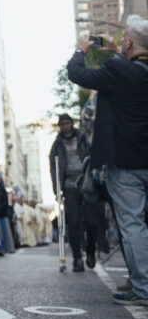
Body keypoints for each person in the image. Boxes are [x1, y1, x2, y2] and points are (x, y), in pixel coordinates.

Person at [67, 20, 148, 305]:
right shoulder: (126, 67)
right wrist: (116, 51)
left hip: (126, 160)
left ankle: (144, 288)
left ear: (128, 43)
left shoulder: (117, 70)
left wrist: (82, 51)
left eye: (123, 38)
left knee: (133, 223)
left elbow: (76, 73)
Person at [48, 113, 96, 272]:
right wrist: (57, 190)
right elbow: (53, 169)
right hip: (68, 186)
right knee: (73, 223)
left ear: (72, 124)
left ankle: (90, 250)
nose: (65, 127)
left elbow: (93, 157)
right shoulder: (57, 145)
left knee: (91, 222)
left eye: (68, 123)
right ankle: (77, 259)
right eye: (62, 124)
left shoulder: (83, 139)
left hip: (86, 182)